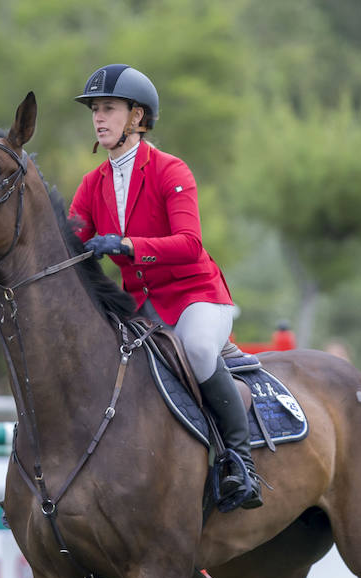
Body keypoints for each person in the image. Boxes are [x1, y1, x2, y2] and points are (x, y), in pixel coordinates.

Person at [68, 64, 262, 510]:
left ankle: (240, 462)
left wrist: (127, 245)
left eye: (109, 109)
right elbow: (71, 244)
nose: (99, 118)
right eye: (95, 110)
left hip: (197, 297)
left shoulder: (171, 170)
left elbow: (190, 244)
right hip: (141, 308)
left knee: (196, 349)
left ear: (137, 117)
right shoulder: (92, 184)